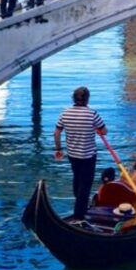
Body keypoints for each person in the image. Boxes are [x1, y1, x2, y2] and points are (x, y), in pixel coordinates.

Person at [54, 87, 107, 221]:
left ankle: (80, 205)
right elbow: (104, 131)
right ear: (87, 99)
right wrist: (96, 129)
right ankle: (79, 216)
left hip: (73, 154)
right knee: (85, 184)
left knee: (77, 179)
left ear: (73, 98)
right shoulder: (92, 114)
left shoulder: (65, 113)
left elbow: (57, 133)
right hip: (88, 155)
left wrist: (58, 149)